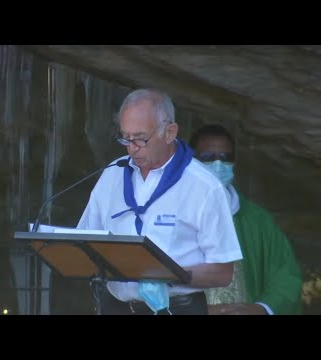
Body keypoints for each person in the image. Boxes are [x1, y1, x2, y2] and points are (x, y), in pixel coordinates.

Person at [77, 88, 243, 315]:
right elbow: (84, 241)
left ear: (170, 132)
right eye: (126, 137)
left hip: (177, 308)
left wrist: (168, 277)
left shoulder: (204, 186)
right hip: (116, 307)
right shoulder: (113, 174)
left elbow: (223, 272)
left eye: (141, 138)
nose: (132, 147)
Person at [189, 124, 303, 315]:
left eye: (226, 158)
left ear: (235, 164)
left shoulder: (258, 220)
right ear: (190, 162)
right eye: (208, 158)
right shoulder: (172, 215)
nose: (218, 165)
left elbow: (286, 278)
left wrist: (261, 309)